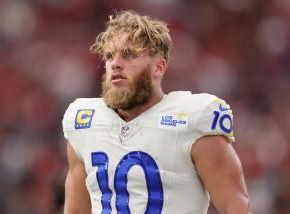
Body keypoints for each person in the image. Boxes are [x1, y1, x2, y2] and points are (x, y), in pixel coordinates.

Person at [62, 10, 251, 214]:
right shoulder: (85, 121)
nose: (115, 63)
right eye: (109, 56)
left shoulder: (192, 119)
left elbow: (236, 206)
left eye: (128, 54)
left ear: (158, 67)